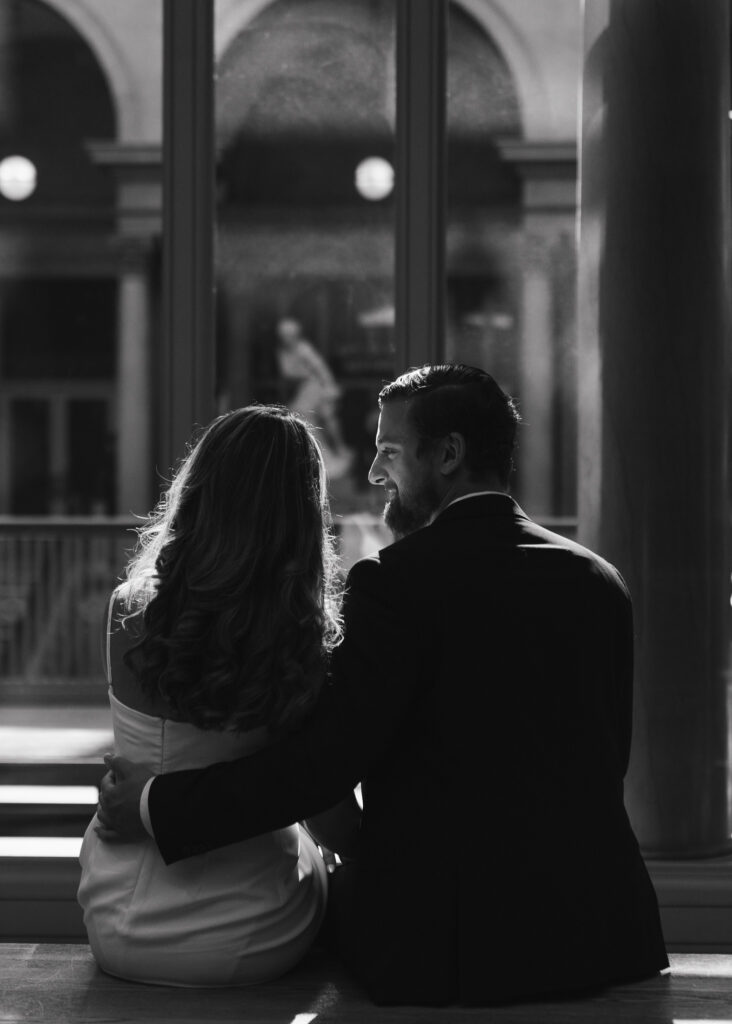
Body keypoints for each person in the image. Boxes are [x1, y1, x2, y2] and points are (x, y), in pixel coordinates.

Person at [97, 364, 668, 1006]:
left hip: (450, 953)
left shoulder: (396, 587)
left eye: (389, 452)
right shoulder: (598, 581)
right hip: (601, 937)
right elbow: (605, 763)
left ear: (448, 454)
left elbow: (319, 770)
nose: (373, 474)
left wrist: (154, 806)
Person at [78, 405, 347, 987]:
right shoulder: (299, 635)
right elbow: (325, 808)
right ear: (301, 514)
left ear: (197, 489)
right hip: (254, 934)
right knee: (316, 855)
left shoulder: (129, 609)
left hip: (117, 917)